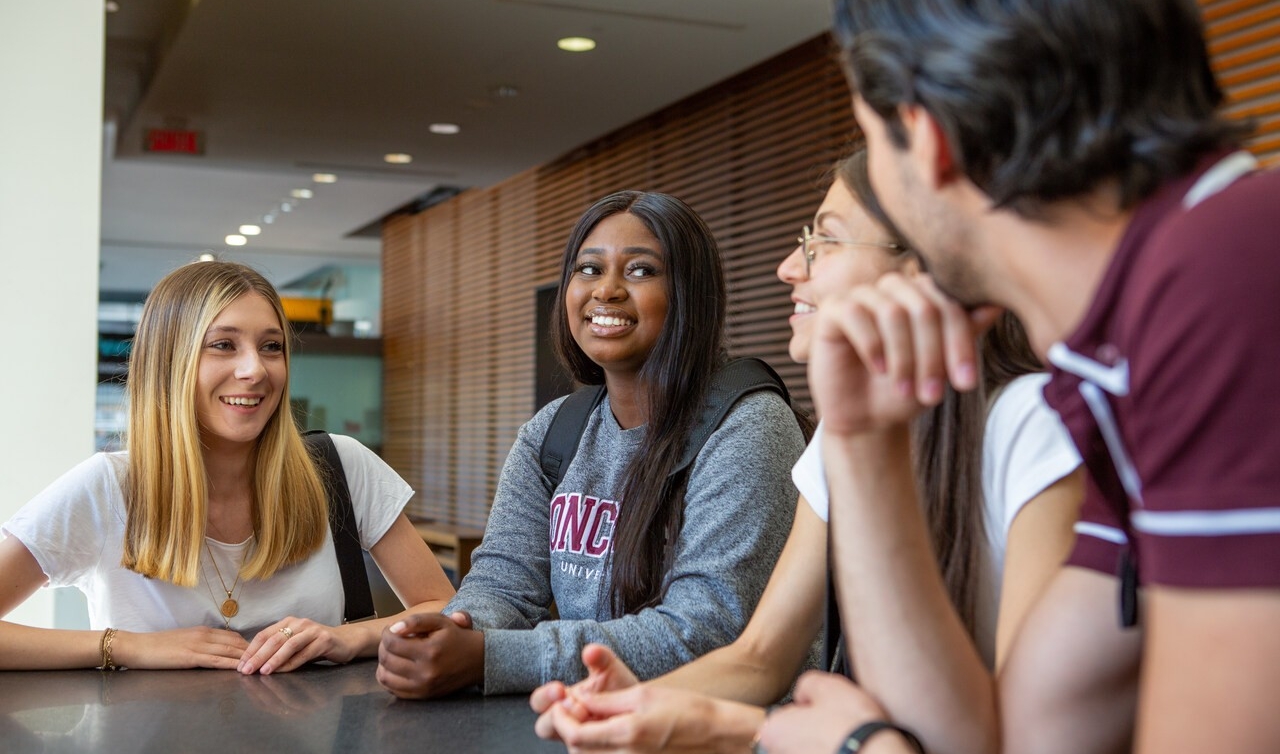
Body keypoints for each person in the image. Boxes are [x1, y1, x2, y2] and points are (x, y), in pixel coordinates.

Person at [762, 1, 1280, 753]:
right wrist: (864, 439)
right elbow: (1024, 739)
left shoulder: (1223, 276)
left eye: (873, 142)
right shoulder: (1112, 359)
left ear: (930, 142)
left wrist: (866, 749)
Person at [528, 149, 1082, 753]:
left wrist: (752, 731)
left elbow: (1028, 737)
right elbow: (760, 656)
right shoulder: (843, 432)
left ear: (928, 263)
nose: (791, 267)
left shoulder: (1034, 424)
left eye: (826, 242)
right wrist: (626, 706)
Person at [376, 190, 807, 699]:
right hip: (595, 721)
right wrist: (451, 634)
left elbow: (708, 630)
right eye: (588, 269)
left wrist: (490, 657)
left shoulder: (748, 425)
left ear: (691, 295)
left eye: (642, 271)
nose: (607, 291)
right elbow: (503, 584)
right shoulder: (553, 431)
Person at [0, 261, 455, 673]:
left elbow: (449, 609)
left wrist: (349, 637)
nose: (255, 369)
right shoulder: (108, 488)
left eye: (271, 346)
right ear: (170, 362)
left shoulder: (341, 467)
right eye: (223, 345)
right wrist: (128, 647)